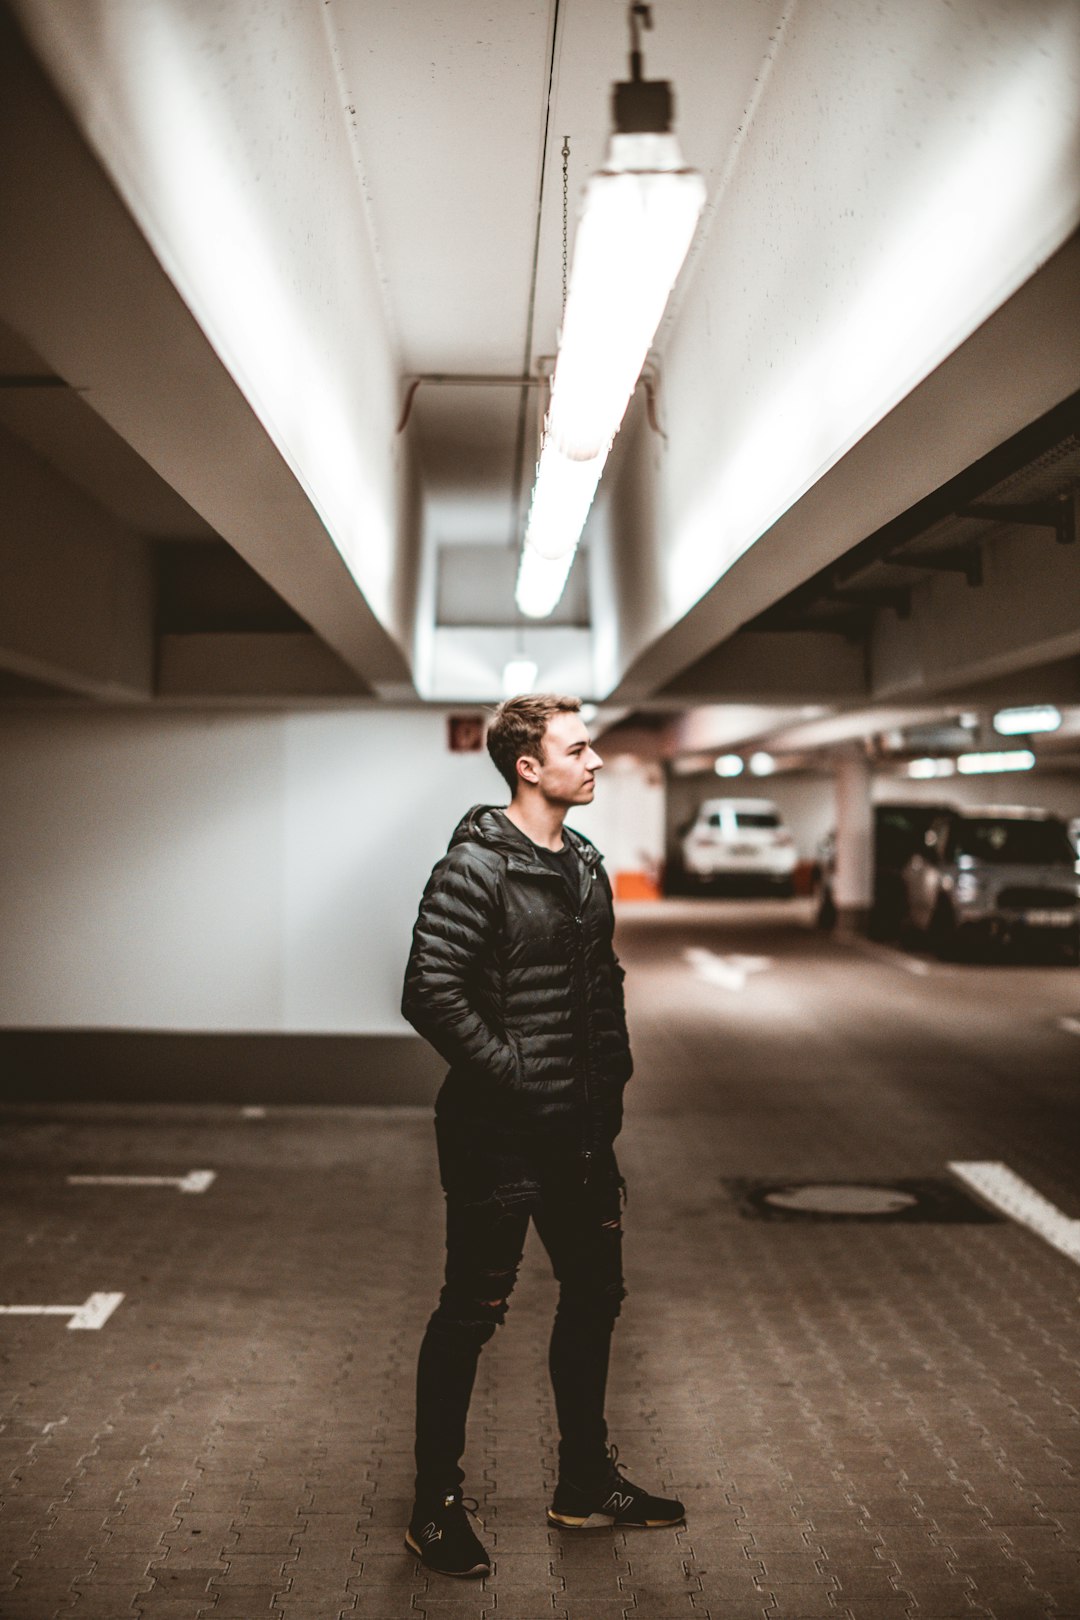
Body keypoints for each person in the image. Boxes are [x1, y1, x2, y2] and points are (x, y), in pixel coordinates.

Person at [400, 693, 684, 1579]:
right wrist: (520, 1076)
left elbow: (602, 981)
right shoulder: (475, 869)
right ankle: (434, 1504)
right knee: (470, 1314)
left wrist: (613, 1076)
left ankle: (585, 1483)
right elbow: (429, 993)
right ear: (528, 766)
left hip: (581, 1136)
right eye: (579, 747)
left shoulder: (586, 862)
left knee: (596, 1296)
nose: (596, 760)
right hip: (498, 1137)